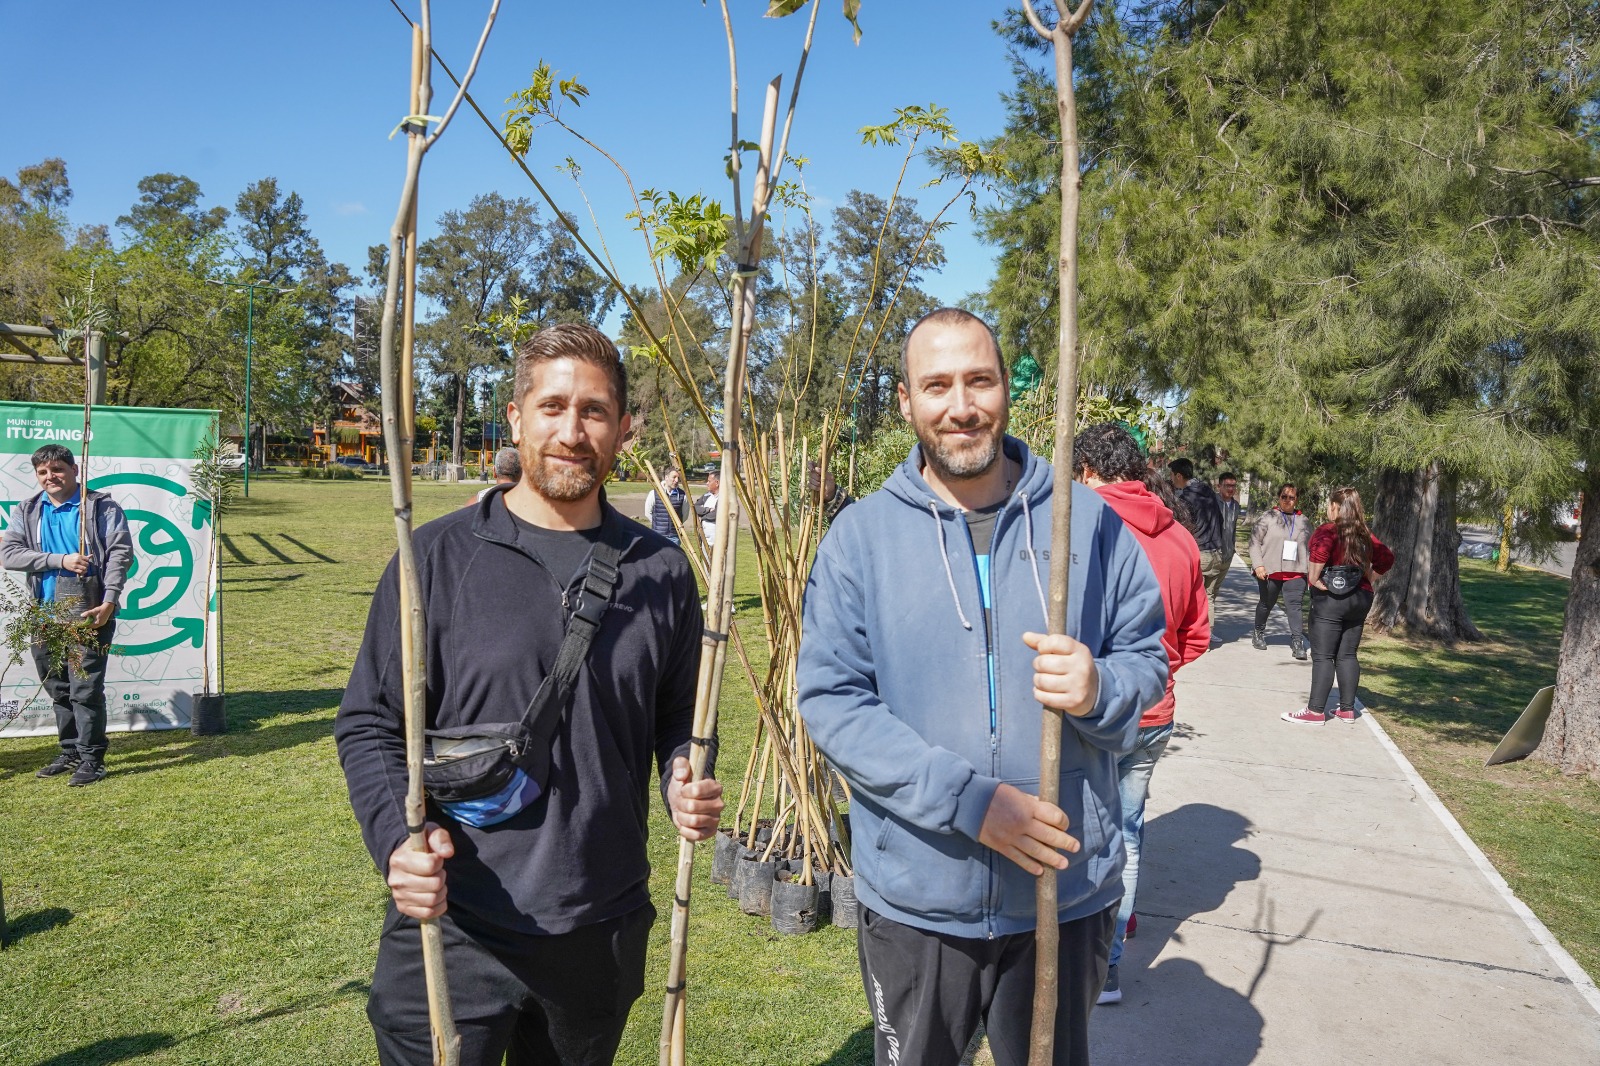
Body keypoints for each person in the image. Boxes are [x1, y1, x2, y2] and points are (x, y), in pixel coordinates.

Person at [335, 322, 724, 1066]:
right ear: (516, 418)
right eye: (552, 407)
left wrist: (686, 773)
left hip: (598, 930)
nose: (572, 431)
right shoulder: (434, 560)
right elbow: (369, 723)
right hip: (454, 925)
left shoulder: (662, 571)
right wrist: (396, 841)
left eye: (594, 411)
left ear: (623, 428)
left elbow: (679, 714)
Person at [798, 308, 1168, 1066]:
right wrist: (970, 804)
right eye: (936, 384)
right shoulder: (860, 541)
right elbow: (833, 701)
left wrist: (1099, 686)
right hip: (920, 898)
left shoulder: (1086, 524)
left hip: (1062, 891)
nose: (960, 405)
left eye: (979, 380)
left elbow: (1147, 659)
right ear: (906, 402)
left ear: (1007, 391)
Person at [1074, 424, 1209, 1006]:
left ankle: (1082, 964)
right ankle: (1109, 966)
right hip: (1155, 710)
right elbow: (1198, 636)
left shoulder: (1081, 524)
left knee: (1074, 836)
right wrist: (1161, 664)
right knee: (1126, 833)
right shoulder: (1179, 537)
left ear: (1085, 470)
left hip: (1089, 709)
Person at [1, 444, 133, 786]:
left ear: (75, 469)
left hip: (89, 611)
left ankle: (92, 758)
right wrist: (59, 560)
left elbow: (120, 553)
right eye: (43, 472)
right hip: (44, 614)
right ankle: (70, 750)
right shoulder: (28, 509)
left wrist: (110, 601)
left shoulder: (100, 507)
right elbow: (9, 554)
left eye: (57, 469)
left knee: (85, 689)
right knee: (58, 686)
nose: (50, 477)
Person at [1282, 487, 1395, 725]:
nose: (1327, 509)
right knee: (1347, 654)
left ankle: (1315, 711)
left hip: (1331, 600)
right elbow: (1386, 558)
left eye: (1328, 505)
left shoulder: (1328, 530)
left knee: (1323, 656)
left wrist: (1313, 579)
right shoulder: (1364, 533)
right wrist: (1368, 577)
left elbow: (1320, 552)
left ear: (1335, 506)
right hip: (1360, 598)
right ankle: (1346, 709)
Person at [1247, 485, 1312, 659]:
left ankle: (1297, 641)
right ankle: (1258, 632)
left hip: (1296, 571)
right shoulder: (1268, 517)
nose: (1288, 500)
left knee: (1295, 606)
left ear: (1296, 499)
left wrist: (1310, 570)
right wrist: (1258, 565)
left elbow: (1310, 547)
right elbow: (1254, 542)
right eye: (1284, 496)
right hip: (1270, 570)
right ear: (1279, 497)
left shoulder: (1304, 521)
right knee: (1266, 603)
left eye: (1292, 497)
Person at [1167, 458, 1227, 627]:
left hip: (1199, 553)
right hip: (1216, 552)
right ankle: (1207, 637)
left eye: (1172, 475)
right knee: (1209, 597)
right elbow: (1221, 520)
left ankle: (1194, 636)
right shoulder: (1208, 491)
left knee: (1191, 597)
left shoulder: (1186, 499)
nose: (1171, 479)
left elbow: (1181, 528)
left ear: (1179, 475)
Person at [643, 466, 690, 545]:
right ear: (666, 477)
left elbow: (684, 515)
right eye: (674, 477)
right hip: (657, 535)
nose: (676, 480)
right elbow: (648, 512)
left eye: (678, 478)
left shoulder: (682, 495)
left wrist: (675, 526)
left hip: (674, 537)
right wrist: (658, 525)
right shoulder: (654, 493)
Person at [694, 470, 720, 549]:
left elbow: (716, 515)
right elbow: (695, 508)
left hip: (717, 541)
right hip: (705, 540)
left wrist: (703, 516)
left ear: (717, 483)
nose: (707, 483)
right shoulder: (706, 496)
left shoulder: (723, 497)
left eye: (709, 481)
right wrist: (708, 510)